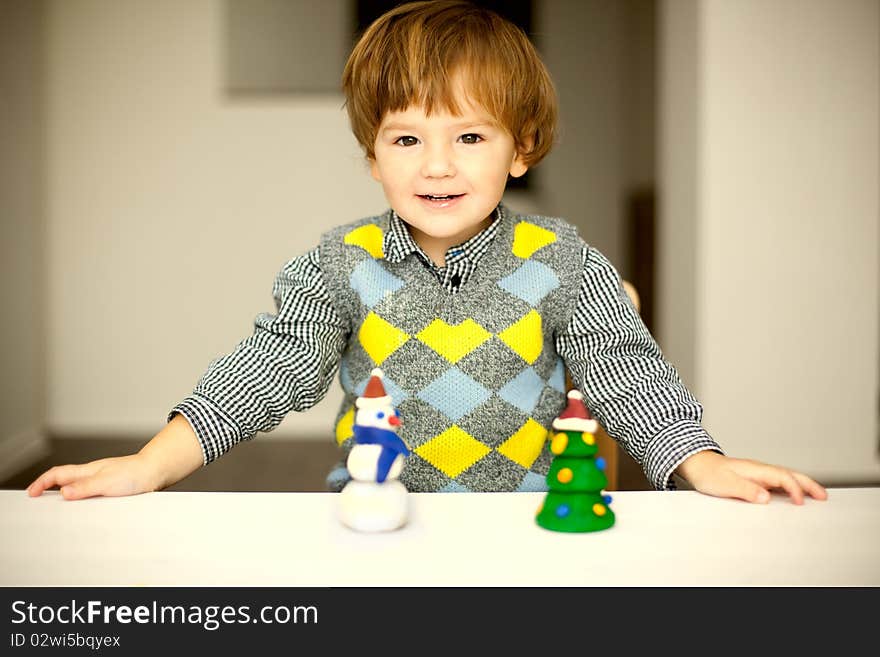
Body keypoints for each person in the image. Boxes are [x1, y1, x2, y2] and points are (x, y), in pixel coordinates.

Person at [27, 0, 826, 505]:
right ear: (373, 157)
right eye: (406, 138)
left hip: (529, 531)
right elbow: (263, 372)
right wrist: (147, 465)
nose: (436, 165)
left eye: (469, 137)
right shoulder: (339, 262)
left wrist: (700, 462)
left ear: (522, 149)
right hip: (378, 524)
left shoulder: (564, 260)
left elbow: (627, 374)